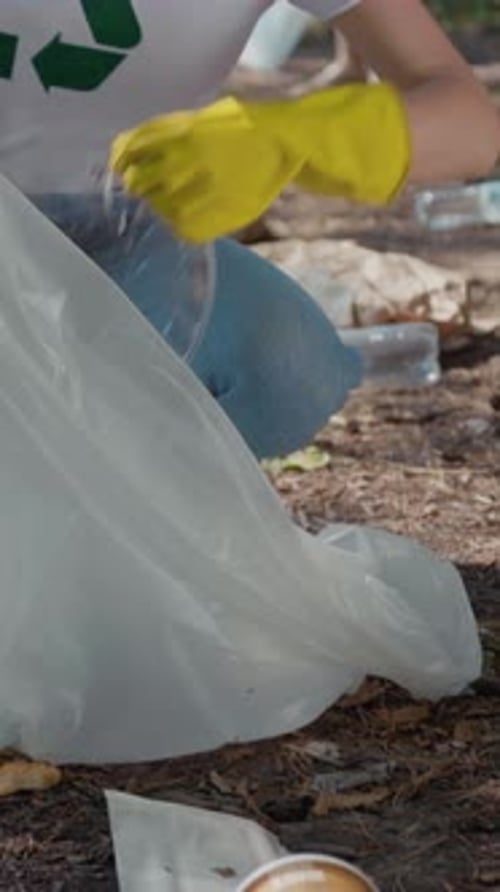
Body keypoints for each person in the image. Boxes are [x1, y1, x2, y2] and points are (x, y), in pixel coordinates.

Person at [2, 2, 498, 459]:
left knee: (286, 373)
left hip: (123, 230)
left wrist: (292, 139)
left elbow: (468, 122)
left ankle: (118, 507)